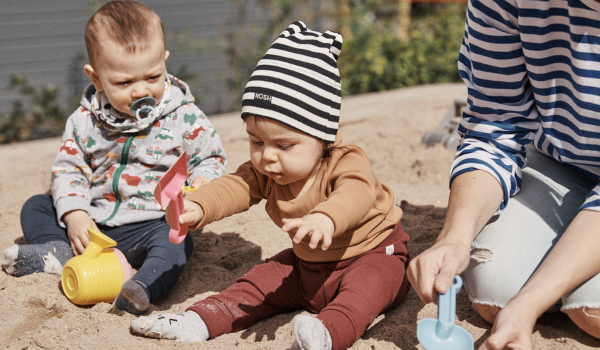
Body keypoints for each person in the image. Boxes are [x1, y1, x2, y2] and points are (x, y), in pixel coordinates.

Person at [129, 21, 411, 350]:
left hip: (373, 256)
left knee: (365, 292)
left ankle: (325, 335)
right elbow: (236, 185)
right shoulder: (268, 170)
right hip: (308, 268)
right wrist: (200, 204)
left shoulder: (344, 161)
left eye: (284, 145)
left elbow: (357, 192)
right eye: (256, 141)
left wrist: (327, 218)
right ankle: (198, 321)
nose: (267, 157)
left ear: (325, 136)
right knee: (259, 280)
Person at [1, 1, 227, 315]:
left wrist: (203, 181)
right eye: (124, 82)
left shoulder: (184, 116)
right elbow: (69, 169)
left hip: (151, 222)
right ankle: (60, 251)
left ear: (164, 62)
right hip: (93, 224)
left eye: (152, 76)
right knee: (37, 205)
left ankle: (141, 286)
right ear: (97, 79)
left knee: (177, 242)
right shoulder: (85, 121)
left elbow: (210, 156)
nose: (140, 91)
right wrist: (76, 214)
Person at [407, 0, 600, 349]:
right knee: (494, 292)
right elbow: (496, 124)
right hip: (564, 160)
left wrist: (531, 302)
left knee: (591, 310)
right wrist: (455, 236)